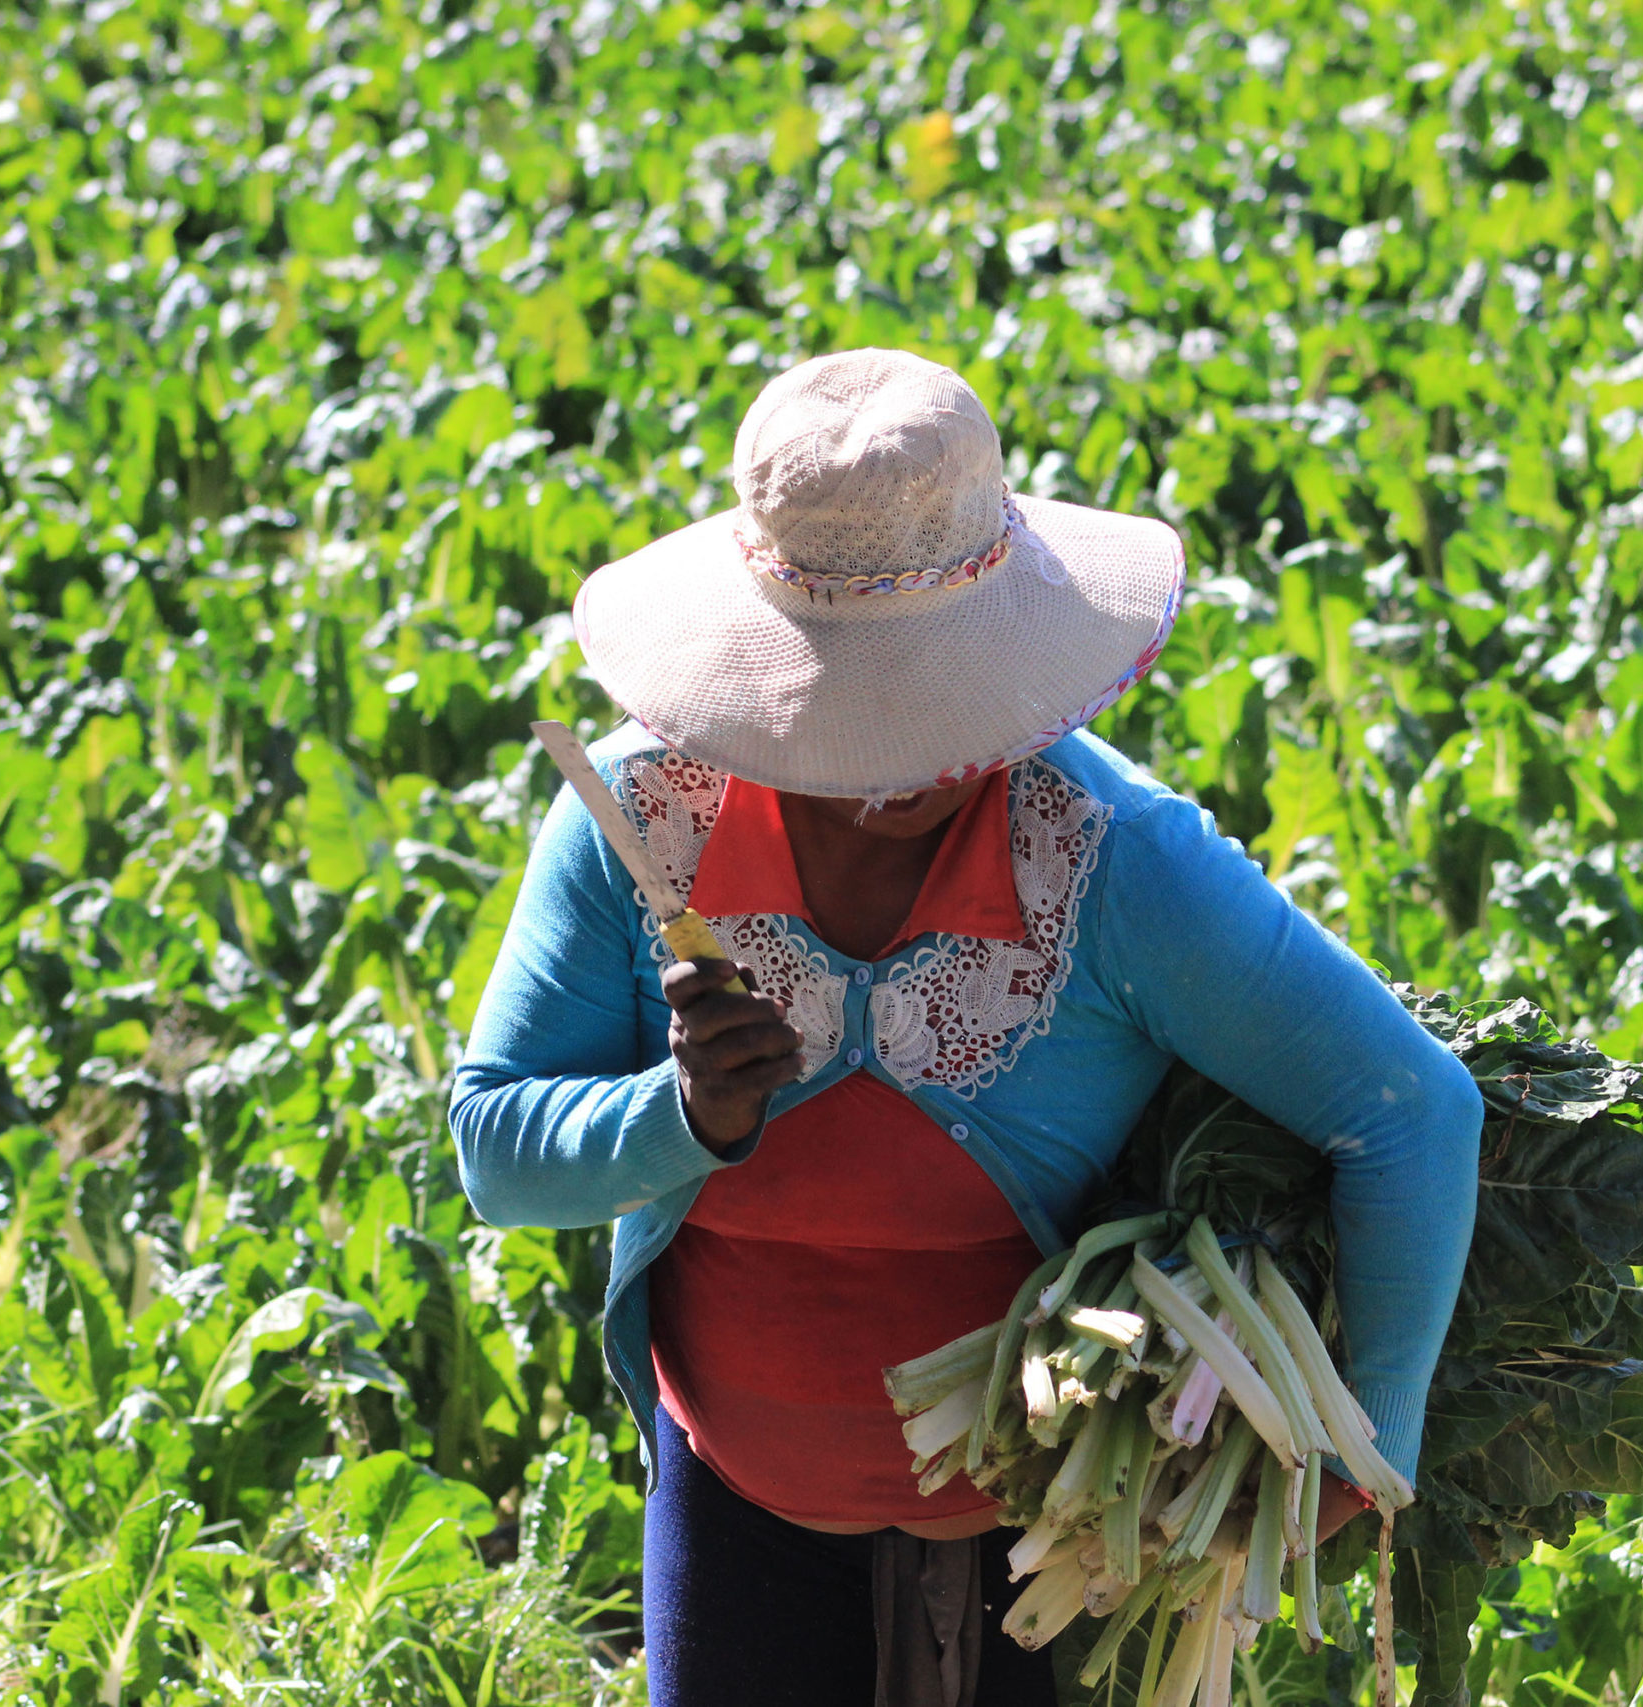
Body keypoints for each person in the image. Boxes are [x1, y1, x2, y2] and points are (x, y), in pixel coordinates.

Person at [449, 349, 1481, 1707]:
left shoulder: (1114, 862)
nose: (898, 776)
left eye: (932, 718)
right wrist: (679, 1116)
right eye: (847, 722)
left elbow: (1409, 1113)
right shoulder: (645, 831)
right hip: (737, 1503)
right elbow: (495, 1154)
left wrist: (1362, 1447)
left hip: (1056, 1551)